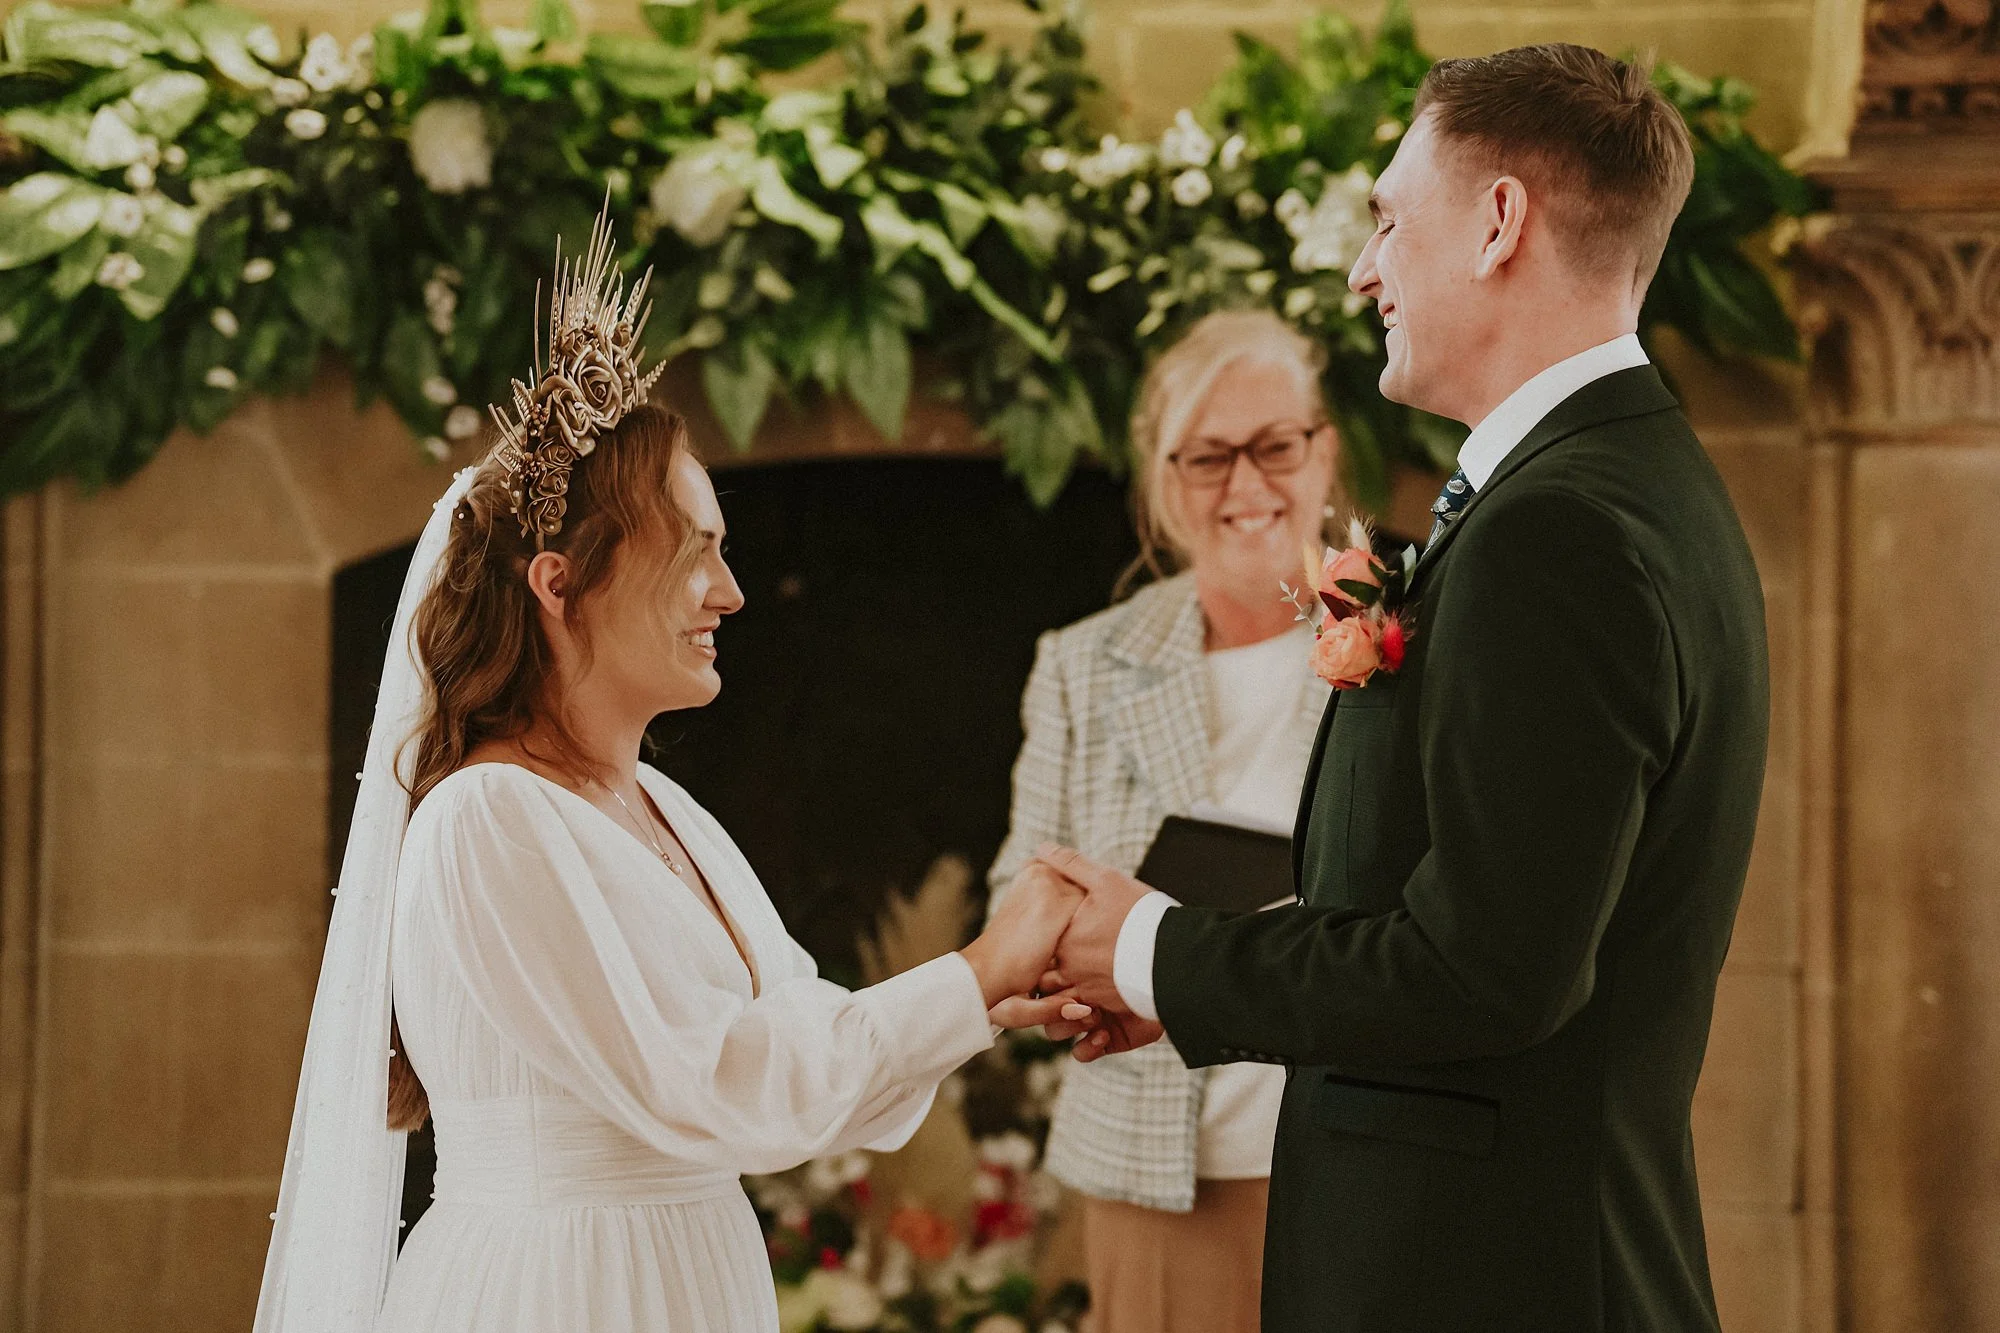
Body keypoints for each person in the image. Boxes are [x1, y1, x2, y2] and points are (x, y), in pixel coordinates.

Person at [1037, 44, 1771, 1333]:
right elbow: (1471, 905)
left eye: (1387, 218)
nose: (1362, 269)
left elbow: (1483, 971)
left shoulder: (1557, 532)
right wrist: (1189, 980)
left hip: (1490, 1280)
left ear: (1498, 223)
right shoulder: (1623, 481)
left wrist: (1157, 949)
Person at [254, 209, 1085, 1333]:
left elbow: (804, 1053)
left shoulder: (665, 807)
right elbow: (727, 1085)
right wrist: (975, 969)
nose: (730, 593)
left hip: (685, 1281)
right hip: (560, 1295)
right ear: (559, 584)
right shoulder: (488, 818)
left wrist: (982, 1002)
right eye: (696, 552)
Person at [988, 311, 1338, 1333]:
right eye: (1207, 456)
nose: (1246, 484)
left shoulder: (1407, 633)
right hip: (1155, 1166)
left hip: (1355, 1146)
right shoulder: (1083, 664)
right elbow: (1017, 897)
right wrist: (1068, 964)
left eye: (1275, 445)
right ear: (1159, 478)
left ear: (1322, 453)